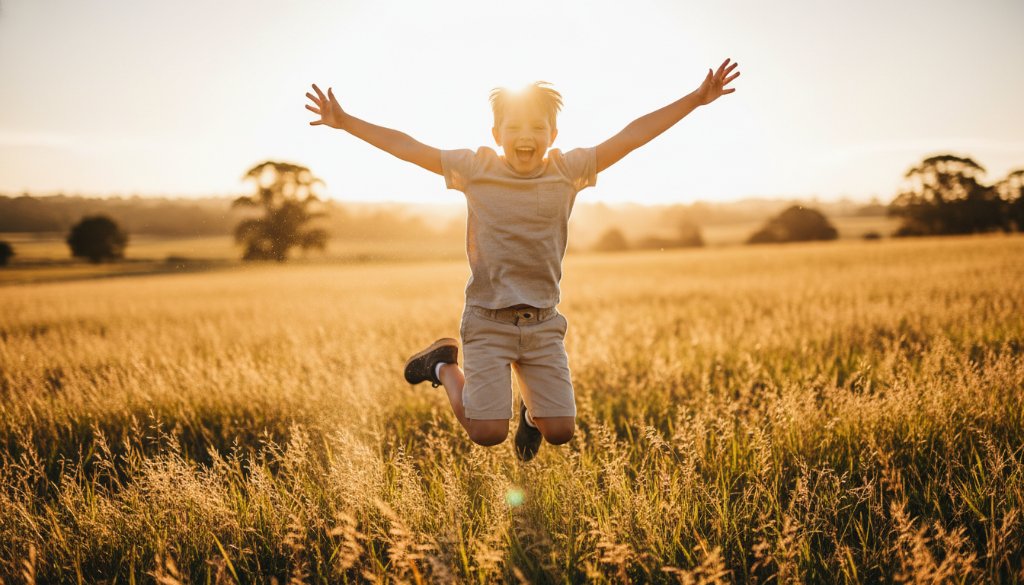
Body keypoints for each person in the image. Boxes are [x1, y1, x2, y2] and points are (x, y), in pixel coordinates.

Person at [305, 59, 740, 461]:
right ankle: (441, 363)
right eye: (514, 126)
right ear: (496, 133)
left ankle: (533, 416)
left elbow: (631, 136)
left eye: (538, 126)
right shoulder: (475, 168)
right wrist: (346, 123)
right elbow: (408, 147)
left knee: (561, 431)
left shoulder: (569, 171)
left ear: (553, 135)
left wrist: (695, 100)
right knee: (487, 432)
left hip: (543, 324)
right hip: (488, 320)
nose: (526, 136)